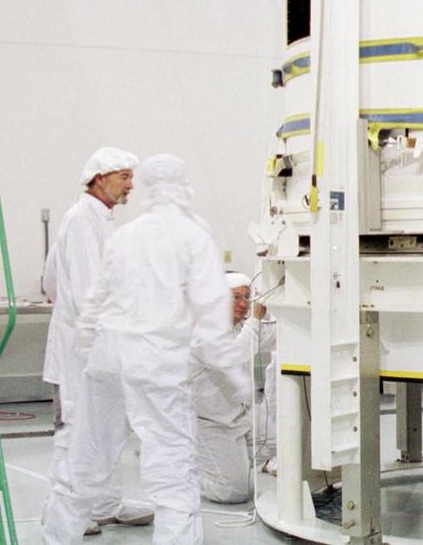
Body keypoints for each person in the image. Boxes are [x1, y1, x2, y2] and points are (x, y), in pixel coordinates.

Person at [42, 154, 250, 545]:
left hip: (106, 358)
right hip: (153, 363)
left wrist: (89, 356)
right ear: (184, 188)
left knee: (85, 459)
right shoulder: (193, 233)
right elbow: (211, 317)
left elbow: (92, 303)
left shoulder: (126, 233)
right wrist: (237, 380)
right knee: (173, 472)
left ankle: (57, 537)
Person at [41, 147, 152, 536]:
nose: (131, 184)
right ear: (100, 178)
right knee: (77, 429)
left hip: (101, 347)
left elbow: (50, 280)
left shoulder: (102, 220)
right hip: (82, 350)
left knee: (107, 426)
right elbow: (89, 289)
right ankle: (68, 513)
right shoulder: (80, 220)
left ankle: (105, 504)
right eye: (124, 176)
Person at [193, 271, 274, 503]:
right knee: (237, 492)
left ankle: (226, 463)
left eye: (247, 298)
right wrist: (256, 320)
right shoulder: (203, 332)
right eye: (235, 297)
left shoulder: (241, 328)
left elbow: (274, 333)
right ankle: (189, 472)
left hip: (239, 418)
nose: (242, 304)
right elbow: (233, 355)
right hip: (210, 424)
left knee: (280, 443)